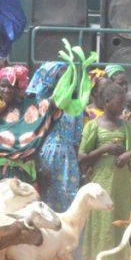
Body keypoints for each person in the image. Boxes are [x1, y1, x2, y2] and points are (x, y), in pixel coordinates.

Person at [80, 84, 131, 260]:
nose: (122, 107)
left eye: (124, 103)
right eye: (119, 103)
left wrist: (128, 155)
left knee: (121, 221)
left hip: (122, 185)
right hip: (101, 185)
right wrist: (104, 149)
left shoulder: (127, 126)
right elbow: (82, 157)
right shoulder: (93, 126)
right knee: (102, 223)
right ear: (106, 103)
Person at [0, 64, 58, 199]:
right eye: (3, 86)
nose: (6, 90)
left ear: (19, 88)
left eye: (11, 86)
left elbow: (53, 105)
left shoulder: (30, 111)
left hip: (19, 177)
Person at [29, 62, 82, 214]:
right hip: (43, 156)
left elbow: (77, 139)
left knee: (68, 202)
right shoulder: (40, 104)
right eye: (61, 77)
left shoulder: (76, 105)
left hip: (68, 161)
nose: (67, 81)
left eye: (69, 78)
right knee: (44, 202)